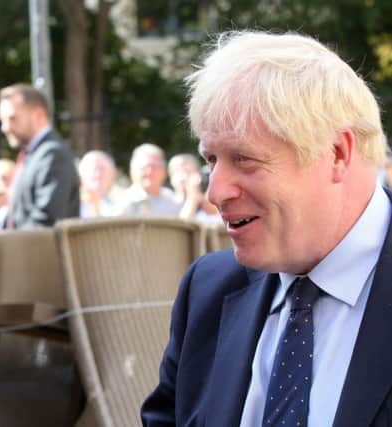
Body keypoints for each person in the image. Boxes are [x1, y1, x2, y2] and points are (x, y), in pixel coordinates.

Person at [141, 30, 392, 426]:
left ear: (337, 154)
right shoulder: (208, 290)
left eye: (244, 159)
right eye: (211, 159)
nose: (216, 192)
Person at [0, 83, 79, 228]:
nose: (5, 127)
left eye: (12, 118)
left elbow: (47, 220)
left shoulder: (53, 155)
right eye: (2, 120)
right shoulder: (34, 154)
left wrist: (9, 242)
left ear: (39, 115)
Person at [117, 143, 180, 216]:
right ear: (132, 171)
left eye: (154, 167)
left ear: (164, 172)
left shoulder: (171, 199)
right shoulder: (123, 201)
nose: (149, 172)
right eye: (144, 167)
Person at [78, 149, 119, 218]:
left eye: (102, 169)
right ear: (81, 177)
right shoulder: (70, 206)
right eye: (93, 169)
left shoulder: (121, 206)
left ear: (113, 175)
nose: (98, 174)